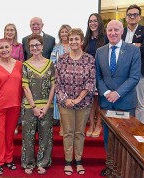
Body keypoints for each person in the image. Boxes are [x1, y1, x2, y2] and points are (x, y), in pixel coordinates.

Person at [96, 20, 141, 176]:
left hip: (126, 102)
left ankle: (125, 169)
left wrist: (118, 93)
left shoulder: (133, 51)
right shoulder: (99, 51)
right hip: (107, 102)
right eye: (110, 30)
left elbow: (134, 77)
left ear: (122, 31)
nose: (113, 33)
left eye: (116, 30)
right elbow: (98, 76)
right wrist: (107, 92)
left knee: (127, 138)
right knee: (108, 137)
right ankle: (111, 166)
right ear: (106, 32)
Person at [55, 28, 96, 176]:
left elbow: (91, 82)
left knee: (79, 133)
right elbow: (57, 82)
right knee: (68, 133)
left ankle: (78, 160)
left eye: (76, 39)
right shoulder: (62, 59)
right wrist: (67, 99)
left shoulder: (89, 59)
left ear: (81, 41)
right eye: (71, 39)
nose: (73, 42)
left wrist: (78, 99)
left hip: (84, 103)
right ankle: (67, 161)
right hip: (65, 103)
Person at [0, 39, 23, 176]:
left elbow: (23, 86)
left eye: (7, 47)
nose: (4, 50)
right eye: (1, 48)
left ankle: (9, 159)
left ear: (12, 49)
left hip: (14, 106)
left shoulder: (19, 65)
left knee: (9, 135)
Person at [21, 34, 55, 175]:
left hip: (47, 106)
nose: (34, 48)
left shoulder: (50, 64)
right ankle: (28, 163)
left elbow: (53, 86)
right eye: (32, 46)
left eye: (37, 45)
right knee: (28, 137)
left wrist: (47, 106)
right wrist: (34, 107)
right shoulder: (25, 65)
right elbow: (25, 87)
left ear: (42, 46)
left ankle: (43, 162)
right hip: (30, 107)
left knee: (45, 136)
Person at [122, 4, 144, 124]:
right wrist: (136, 45)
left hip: (139, 71)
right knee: (124, 100)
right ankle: (126, 127)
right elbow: (117, 49)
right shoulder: (121, 32)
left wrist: (126, 47)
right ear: (126, 17)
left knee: (139, 102)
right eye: (129, 15)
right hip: (123, 72)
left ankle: (140, 129)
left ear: (139, 17)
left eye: (135, 14)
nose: (132, 17)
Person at [0, 23, 24, 135]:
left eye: (12, 30)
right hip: (2, 77)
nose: (9, 32)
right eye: (7, 30)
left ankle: (15, 124)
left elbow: (21, 60)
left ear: (15, 32)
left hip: (15, 77)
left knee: (15, 101)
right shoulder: (1, 43)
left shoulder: (19, 46)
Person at [84, 13, 108, 138]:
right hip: (89, 74)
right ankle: (91, 125)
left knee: (100, 100)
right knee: (91, 100)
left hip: (102, 73)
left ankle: (99, 124)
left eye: (94, 21)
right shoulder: (86, 38)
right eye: (90, 21)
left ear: (99, 22)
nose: (92, 23)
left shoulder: (105, 38)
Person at [50, 24, 72, 136]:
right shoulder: (56, 48)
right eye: (62, 32)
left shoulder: (74, 46)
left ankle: (68, 126)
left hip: (73, 81)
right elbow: (52, 62)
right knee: (59, 102)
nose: (64, 34)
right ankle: (62, 126)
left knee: (69, 102)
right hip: (59, 79)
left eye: (66, 32)